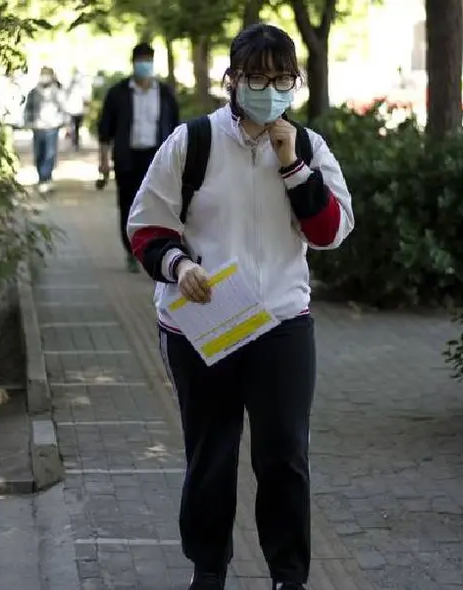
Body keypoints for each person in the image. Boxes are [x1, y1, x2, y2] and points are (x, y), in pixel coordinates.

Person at [127, 23, 354, 590]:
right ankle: (208, 569)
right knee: (211, 453)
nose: (269, 89)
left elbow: (330, 231)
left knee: (283, 456)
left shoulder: (308, 147)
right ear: (232, 79)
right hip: (205, 323)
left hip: (281, 324)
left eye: (282, 79)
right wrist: (181, 266)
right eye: (256, 77)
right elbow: (147, 226)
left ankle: (289, 576)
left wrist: (293, 163)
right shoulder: (192, 141)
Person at [97, 42, 179, 273]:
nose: (145, 65)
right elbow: (105, 130)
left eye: (148, 61)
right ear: (133, 63)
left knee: (158, 206)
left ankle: (155, 249)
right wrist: (103, 162)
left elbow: (175, 128)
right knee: (129, 206)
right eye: (141, 60)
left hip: (156, 159)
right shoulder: (118, 93)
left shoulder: (164, 93)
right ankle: (130, 250)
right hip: (127, 159)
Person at [24, 65, 67, 194]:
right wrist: (28, 122)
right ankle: (41, 178)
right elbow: (28, 109)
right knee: (39, 153)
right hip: (38, 127)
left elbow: (62, 108)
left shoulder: (57, 92)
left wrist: (62, 122)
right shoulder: (33, 92)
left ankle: (46, 179)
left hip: (52, 127)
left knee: (50, 154)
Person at [64, 66, 91, 151]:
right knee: (75, 127)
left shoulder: (82, 85)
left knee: (75, 127)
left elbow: (86, 97)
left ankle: (75, 143)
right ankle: (75, 143)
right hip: (74, 109)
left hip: (77, 109)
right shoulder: (72, 84)